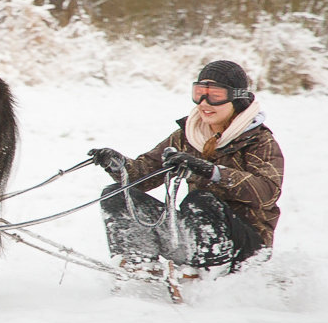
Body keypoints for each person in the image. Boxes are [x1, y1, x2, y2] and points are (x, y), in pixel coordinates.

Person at [88, 60, 284, 276]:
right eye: (200, 92)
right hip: (196, 236)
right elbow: (142, 177)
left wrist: (211, 171)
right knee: (116, 195)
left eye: (215, 95)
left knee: (200, 199)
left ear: (237, 99)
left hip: (245, 247)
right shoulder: (189, 136)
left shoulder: (259, 141)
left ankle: (208, 274)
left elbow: (266, 192)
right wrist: (118, 165)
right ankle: (140, 267)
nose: (204, 102)